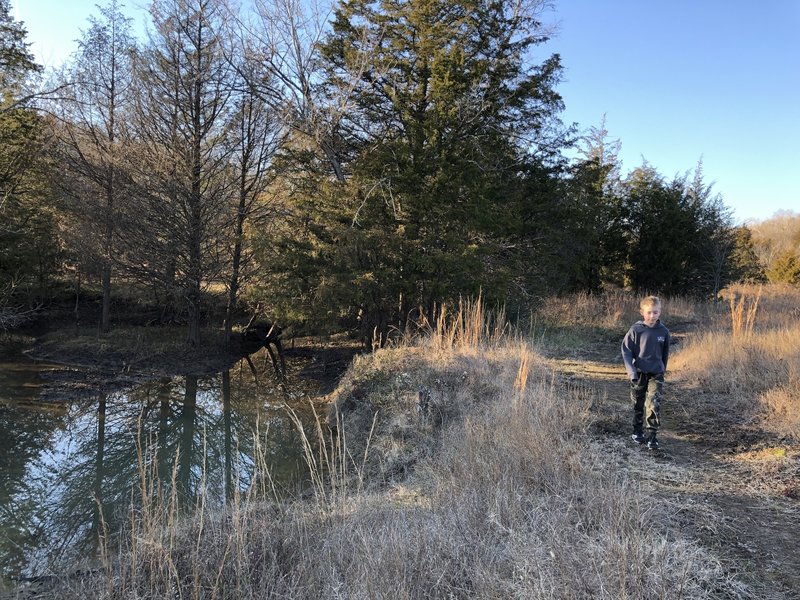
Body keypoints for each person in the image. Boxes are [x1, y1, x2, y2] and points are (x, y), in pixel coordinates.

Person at [621, 295, 671, 450]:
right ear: (642, 312)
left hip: (656, 374)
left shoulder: (664, 332)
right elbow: (626, 352)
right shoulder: (635, 330)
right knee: (638, 403)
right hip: (639, 373)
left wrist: (662, 369)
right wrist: (632, 373)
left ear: (660, 312)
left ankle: (652, 435)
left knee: (654, 404)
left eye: (655, 312)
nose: (652, 316)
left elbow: (665, 354)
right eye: (649, 312)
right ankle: (637, 430)